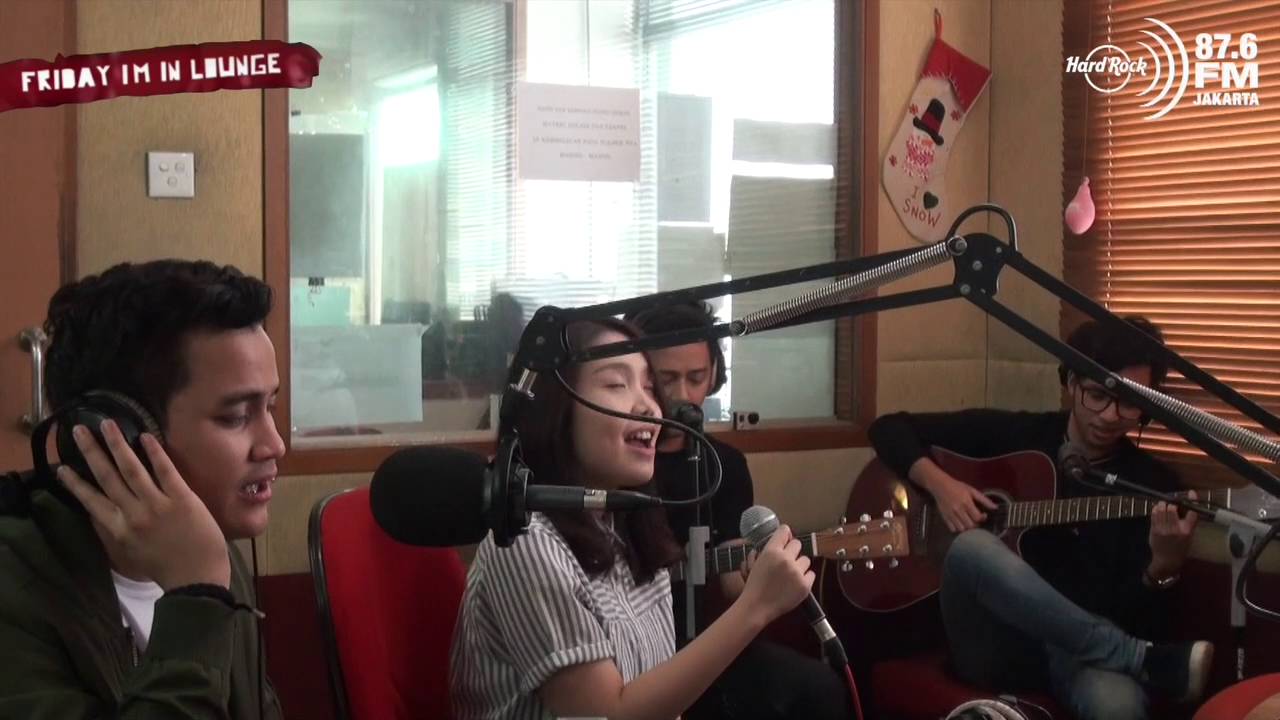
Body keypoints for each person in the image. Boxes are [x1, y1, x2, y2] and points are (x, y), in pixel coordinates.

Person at [449, 318, 815, 720]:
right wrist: (755, 607)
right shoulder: (524, 541)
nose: (650, 407)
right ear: (556, 410)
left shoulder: (627, 526)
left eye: (648, 386)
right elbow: (608, 713)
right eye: (616, 384)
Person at [868, 315, 1213, 720]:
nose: (1109, 415)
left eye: (1129, 402)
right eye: (1097, 395)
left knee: (1120, 706)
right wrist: (943, 487)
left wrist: (1162, 568)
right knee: (972, 547)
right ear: (1071, 384)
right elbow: (888, 428)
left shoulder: (1154, 487)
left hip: (1084, 658)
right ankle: (1137, 658)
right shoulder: (1020, 435)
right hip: (996, 644)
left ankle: (1130, 656)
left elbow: (1138, 619)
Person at [0, 260, 285, 718]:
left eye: (270, 406)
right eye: (235, 416)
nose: (274, 444)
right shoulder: (15, 591)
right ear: (117, 433)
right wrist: (197, 601)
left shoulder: (213, 552)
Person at [628, 300, 853, 720]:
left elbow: (731, 571)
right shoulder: (622, 460)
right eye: (666, 379)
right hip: (633, 642)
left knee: (818, 689)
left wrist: (752, 574)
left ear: (714, 376)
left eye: (696, 378)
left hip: (708, 642)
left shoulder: (726, 465)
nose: (682, 395)